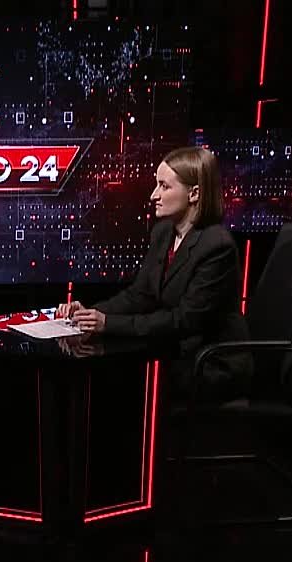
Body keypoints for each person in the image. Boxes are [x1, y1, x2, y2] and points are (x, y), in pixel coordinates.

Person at [57, 146, 250, 399]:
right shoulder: (164, 233)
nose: (153, 195)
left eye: (164, 186)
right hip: (175, 354)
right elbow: (141, 295)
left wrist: (108, 324)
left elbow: (185, 320)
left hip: (210, 364)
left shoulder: (217, 246)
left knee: (127, 385)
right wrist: (90, 314)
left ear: (194, 194)